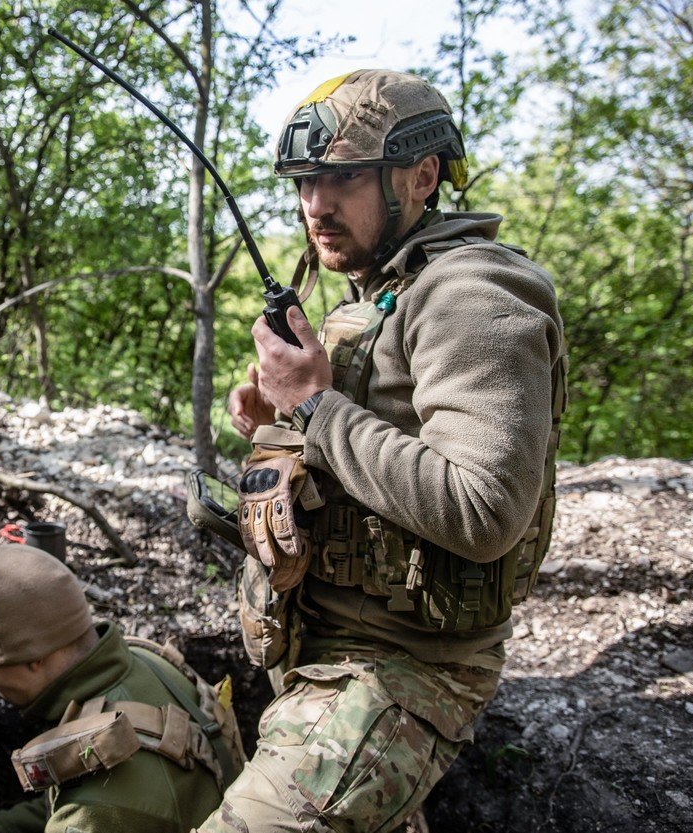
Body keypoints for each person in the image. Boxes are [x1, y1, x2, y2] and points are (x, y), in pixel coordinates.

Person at [202, 69, 566, 832]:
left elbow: (484, 507)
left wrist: (316, 405)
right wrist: (282, 414)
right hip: (321, 649)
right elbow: (371, 432)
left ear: (422, 175)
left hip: (401, 667)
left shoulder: (472, 292)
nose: (315, 205)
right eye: (305, 181)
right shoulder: (376, 289)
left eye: (343, 178)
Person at [0, 543, 244, 833]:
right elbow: (74, 800)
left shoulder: (99, 802)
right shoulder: (146, 660)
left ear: (34, 658)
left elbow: (98, 807)